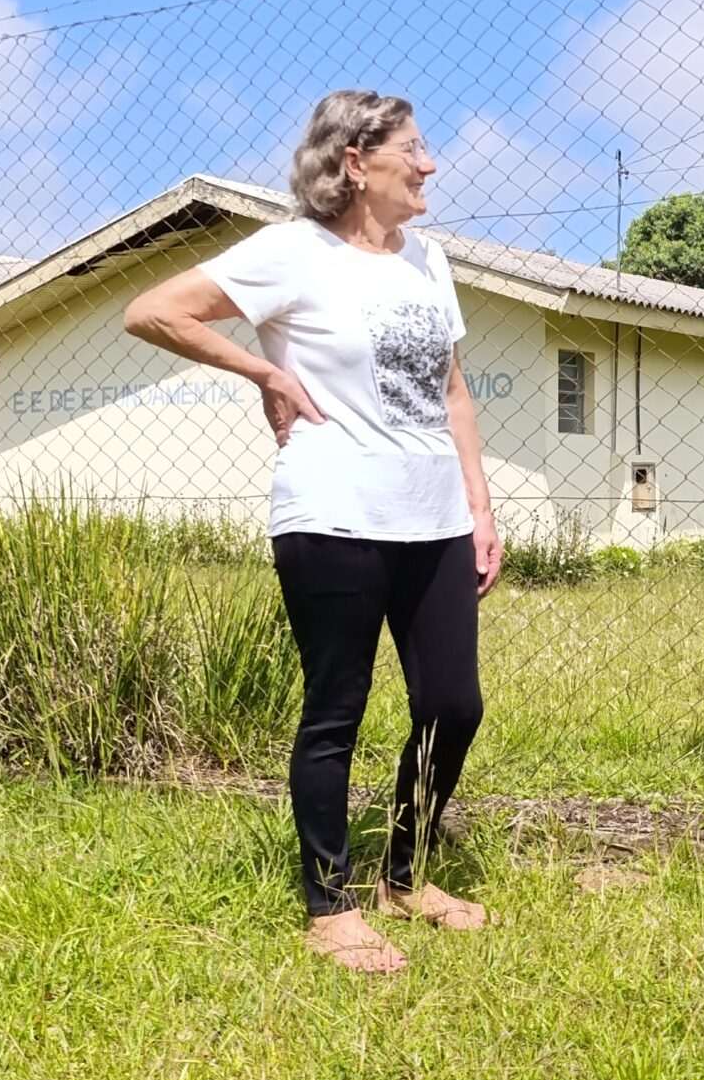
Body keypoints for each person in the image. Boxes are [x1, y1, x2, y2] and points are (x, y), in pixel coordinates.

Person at [124, 92, 503, 975]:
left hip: (435, 518)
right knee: (338, 707)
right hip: (333, 514)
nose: (431, 164)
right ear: (355, 162)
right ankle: (328, 905)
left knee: (454, 706)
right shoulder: (292, 252)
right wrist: (263, 371)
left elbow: (452, 392)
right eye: (413, 148)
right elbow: (154, 310)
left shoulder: (429, 260)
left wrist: (480, 510)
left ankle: (404, 877)